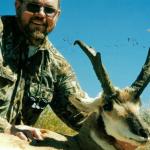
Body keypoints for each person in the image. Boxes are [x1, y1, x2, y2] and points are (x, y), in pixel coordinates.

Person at [0, 0, 99, 141]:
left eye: (49, 10)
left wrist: (119, 134)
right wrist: (6, 128)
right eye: (33, 7)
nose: (41, 14)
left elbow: (81, 117)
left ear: (57, 15)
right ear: (18, 6)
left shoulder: (58, 66)